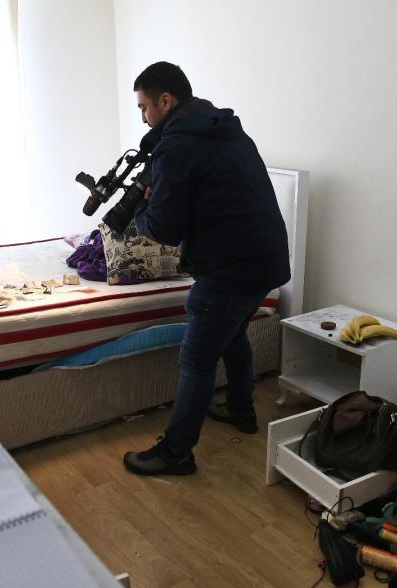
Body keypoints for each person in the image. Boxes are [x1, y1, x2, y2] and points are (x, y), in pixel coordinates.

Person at [118, 61, 290, 476]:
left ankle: (176, 452)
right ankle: (241, 411)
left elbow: (164, 229)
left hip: (233, 267)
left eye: (144, 107)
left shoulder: (177, 144)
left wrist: (140, 205)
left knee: (196, 358)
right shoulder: (222, 127)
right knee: (231, 336)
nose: (142, 117)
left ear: (165, 99)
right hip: (267, 257)